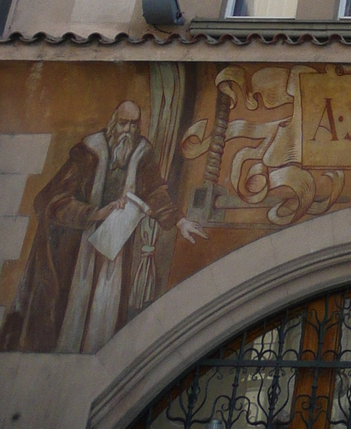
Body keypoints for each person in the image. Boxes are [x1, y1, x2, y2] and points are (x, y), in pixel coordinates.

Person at [0, 100, 206, 354]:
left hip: (114, 251)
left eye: (133, 124)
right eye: (123, 123)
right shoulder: (88, 152)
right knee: (67, 314)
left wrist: (180, 220)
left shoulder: (142, 154)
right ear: (112, 122)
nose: (128, 130)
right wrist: (94, 213)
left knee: (105, 315)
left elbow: (154, 191)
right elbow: (50, 201)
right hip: (76, 251)